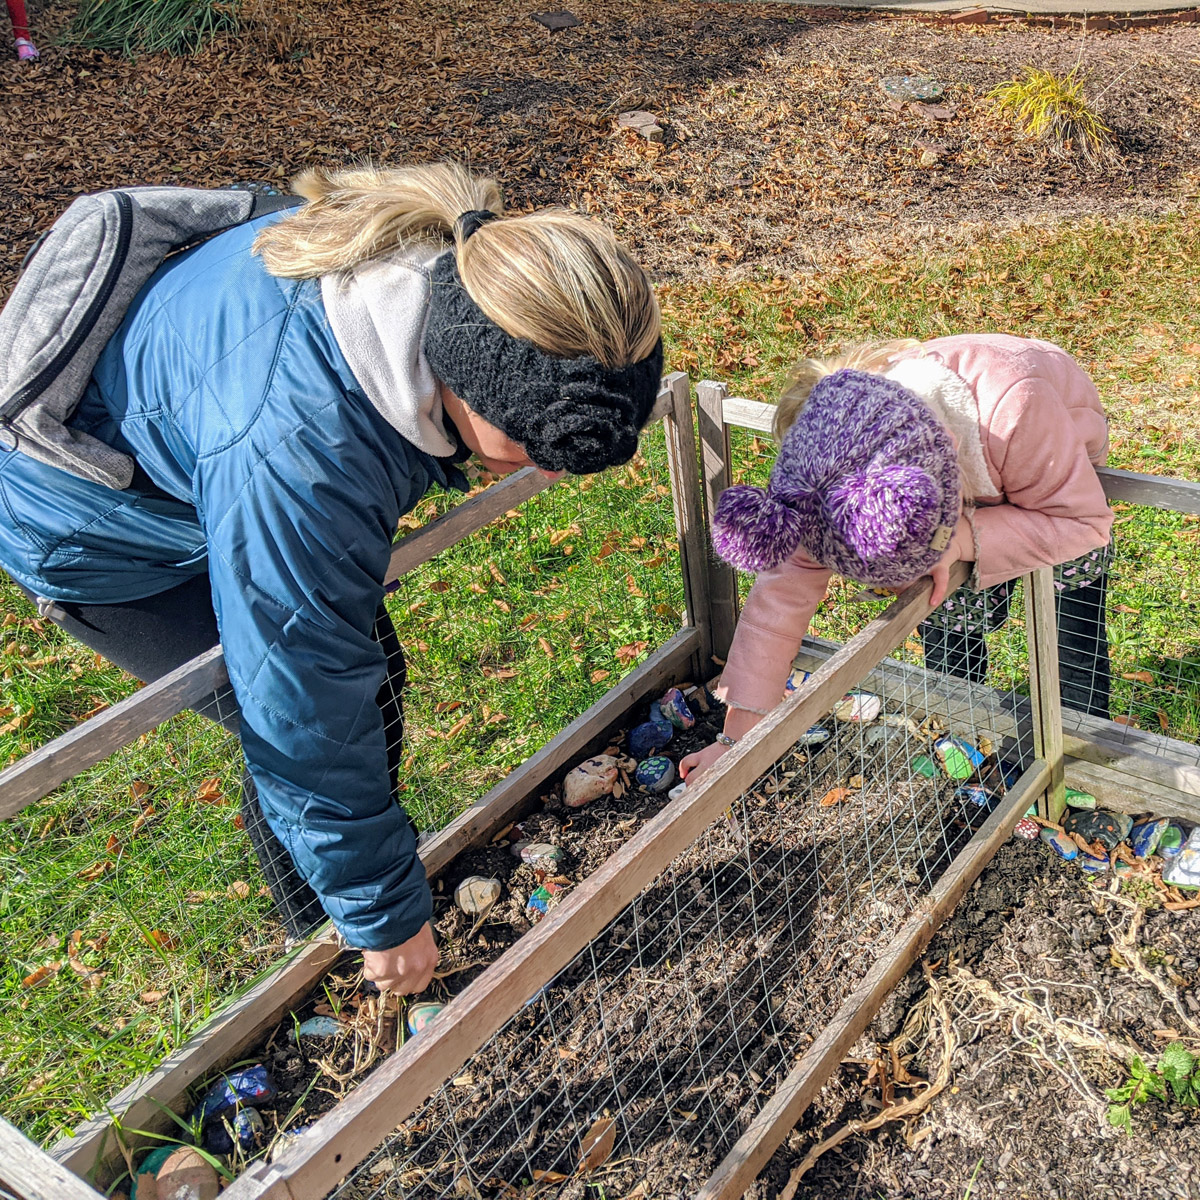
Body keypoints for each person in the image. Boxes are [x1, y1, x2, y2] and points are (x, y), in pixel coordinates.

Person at [0, 163, 663, 992]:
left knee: (367, 678)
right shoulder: (304, 457)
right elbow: (299, 688)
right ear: (462, 375)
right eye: (530, 446)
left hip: (209, 461)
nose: (548, 475)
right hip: (96, 541)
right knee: (283, 704)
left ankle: (339, 910)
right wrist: (387, 910)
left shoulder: (462, 278)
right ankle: (328, 944)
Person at [680, 335, 1114, 782]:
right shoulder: (820, 481)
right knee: (945, 612)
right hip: (957, 489)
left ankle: (1084, 753)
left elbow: (1083, 522)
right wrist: (736, 740)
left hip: (1050, 466)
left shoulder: (1018, 408)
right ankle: (965, 735)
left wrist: (955, 541)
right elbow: (779, 599)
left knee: (1071, 625)